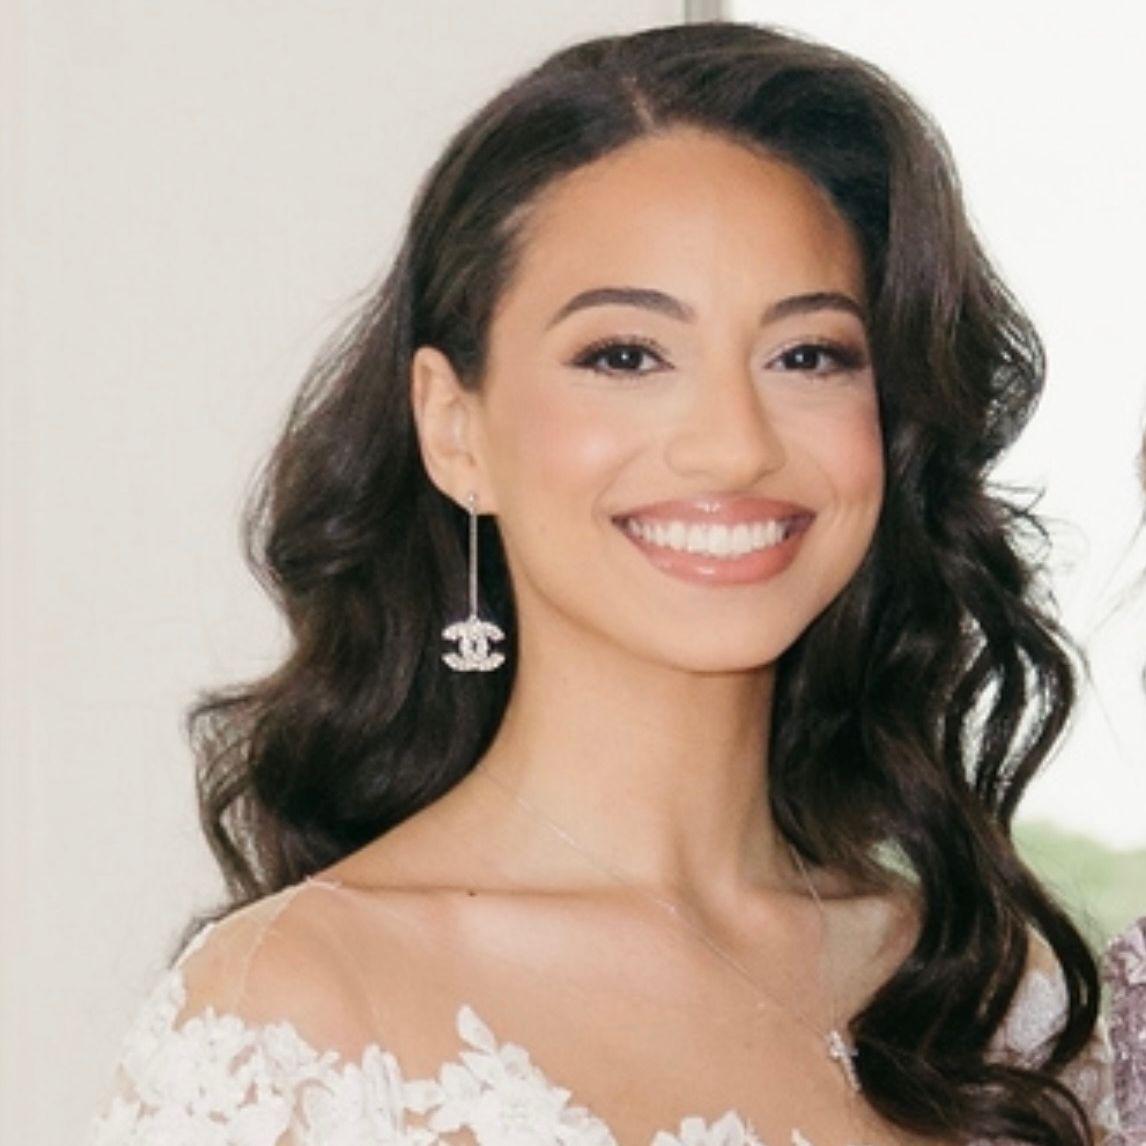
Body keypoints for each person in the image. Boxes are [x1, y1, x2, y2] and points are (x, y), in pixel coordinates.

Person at [87, 22, 1122, 1146]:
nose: (734, 446)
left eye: (808, 355)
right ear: (454, 429)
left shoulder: (994, 1000)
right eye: (625, 356)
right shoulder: (291, 1017)